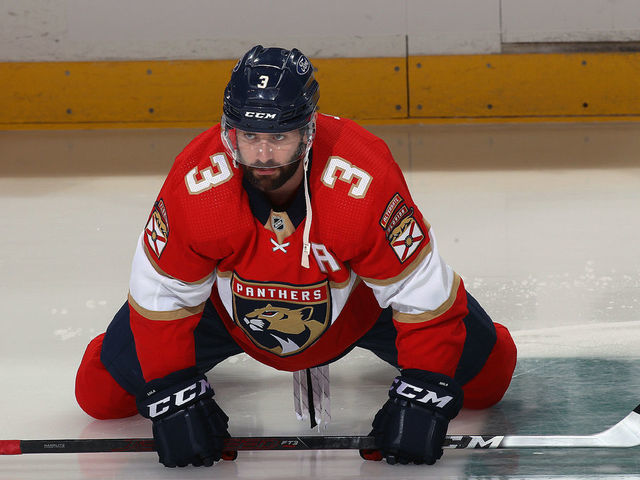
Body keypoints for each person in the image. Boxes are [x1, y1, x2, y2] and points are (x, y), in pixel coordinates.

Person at [75, 45, 517, 468]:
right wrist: (173, 390)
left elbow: (420, 292)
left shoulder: (362, 179)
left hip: (359, 307)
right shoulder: (196, 185)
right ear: (230, 132)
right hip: (225, 310)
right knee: (98, 394)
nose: (263, 156)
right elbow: (163, 292)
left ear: (309, 130)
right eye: (250, 136)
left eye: (279, 137)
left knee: (488, 381)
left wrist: (424, 391)